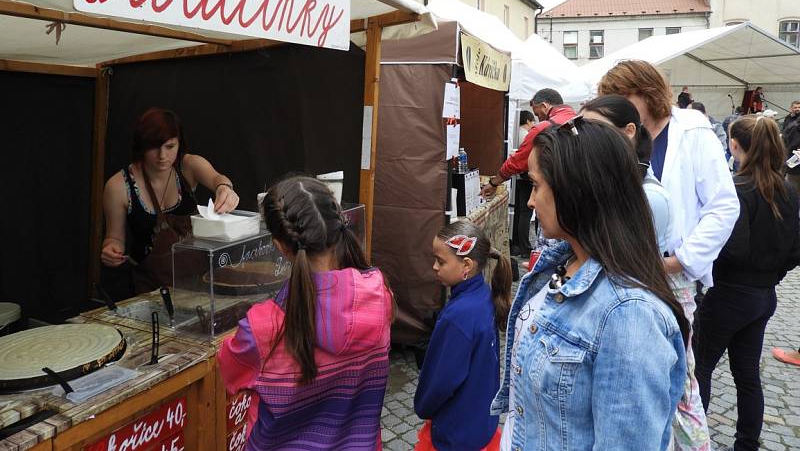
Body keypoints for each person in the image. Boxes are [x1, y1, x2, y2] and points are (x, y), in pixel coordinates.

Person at [491, 117, 688, 451]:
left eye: (536, 186)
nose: (529, 201)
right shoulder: (563, 261)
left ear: (575, 191)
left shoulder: (629, 315)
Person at [598, 60, 739, 451]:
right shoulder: (624, 132)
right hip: (626, 270)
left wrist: (679, 260)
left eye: (623, 96)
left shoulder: (692, 131)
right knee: (636, 374)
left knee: (680, 379)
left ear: (647, 93)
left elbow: (724, 207)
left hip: (670, 273)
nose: (617, 105)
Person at [218, 176, 393, 450]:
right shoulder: (379, 293)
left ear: (279, 246)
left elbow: (230, 371)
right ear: (338, 226)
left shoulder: (261, 328)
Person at [694, 116, 800, 451]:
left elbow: (732, 249)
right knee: (747, 375)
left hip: (729, 294)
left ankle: (693, 442)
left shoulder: (737, 188)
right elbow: (795, 249)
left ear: (735, 145)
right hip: (762, 296)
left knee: (701, 371)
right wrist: (771, 276)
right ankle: (747, 445)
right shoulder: (788, 190)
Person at [101, 107, 239, 294]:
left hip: (199, 285)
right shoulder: (118, 186)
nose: (162, 156)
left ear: (179, 143)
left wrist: (225, 189)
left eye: (170, 146)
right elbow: (114, 237)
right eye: (154, 147)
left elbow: (218, 179)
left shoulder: (188, 166)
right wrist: (111, 249)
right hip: (151, 290)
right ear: (141, 145)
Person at [414, 221, 511, 451]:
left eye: (441, 261)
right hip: (479, 423)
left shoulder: (457, 317)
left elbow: (441, 380)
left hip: (457, 433)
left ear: (466, 265)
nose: (434, 267)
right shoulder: (483, 295)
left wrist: (422, 405)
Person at [580, 94, 672, 254]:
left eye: (596, 129)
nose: (586, 138)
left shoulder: (650, 197)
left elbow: (632, 267)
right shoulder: (598, 179)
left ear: (629, 131)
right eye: (581, 129)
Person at [481, 88, 575, 198]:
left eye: (538, 114)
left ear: (544, 106)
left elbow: (517, 161)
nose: (538, 119)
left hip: (556, 194)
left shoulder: (544, 128)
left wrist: (494, 183)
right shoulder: (583, 121)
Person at [511, 110, 536, 258]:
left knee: (519, 212)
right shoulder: (526, 135)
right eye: (532, 121)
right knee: (526, 214)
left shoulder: (516, 133)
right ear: (528, 120)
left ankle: (517, 245)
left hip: (519, 178)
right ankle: (525, 248)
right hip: (526, 178)